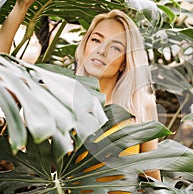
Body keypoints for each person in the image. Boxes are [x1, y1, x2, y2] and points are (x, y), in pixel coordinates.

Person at [0, 0, 161, 183]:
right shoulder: (56, 94)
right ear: (84, 46)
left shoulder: (140, 103)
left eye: (115, 47)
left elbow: (152, 178)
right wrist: (20, 7)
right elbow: (3, 71)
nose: (101, 50)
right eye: (96, 40)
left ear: (125, 60)